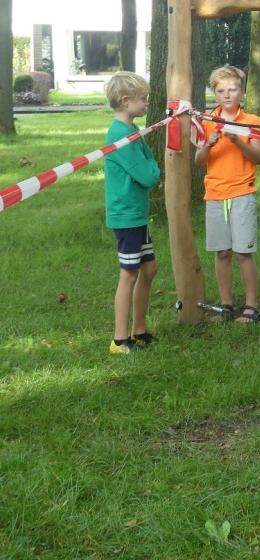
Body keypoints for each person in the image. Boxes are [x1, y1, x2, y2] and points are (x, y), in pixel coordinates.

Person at [195, 65, 260, 322]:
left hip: (242, 193)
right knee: (222, 252)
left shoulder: (251, 122)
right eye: (221, 90)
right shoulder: (206, 121)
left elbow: (257, 156)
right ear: (214, 92)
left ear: (242, 92)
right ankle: (226, 304)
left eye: (233, 89)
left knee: (243, 253)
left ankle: (251, 305)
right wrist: (208, 145)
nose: (227, 95)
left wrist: (237, 140)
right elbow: (198, 160)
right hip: (214, 194)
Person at [103, 72, 161, 355]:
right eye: (143, 99)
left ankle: (139, 330)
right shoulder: (119, 136)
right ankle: (119, 339)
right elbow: (149, 175)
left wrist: (149, 161)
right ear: (126, 101)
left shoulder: (132, 132)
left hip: (137, 214)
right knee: (129, 273)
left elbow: (147, 162)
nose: (147, 103)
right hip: (126, 216)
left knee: (149, 268)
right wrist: (153, 166)